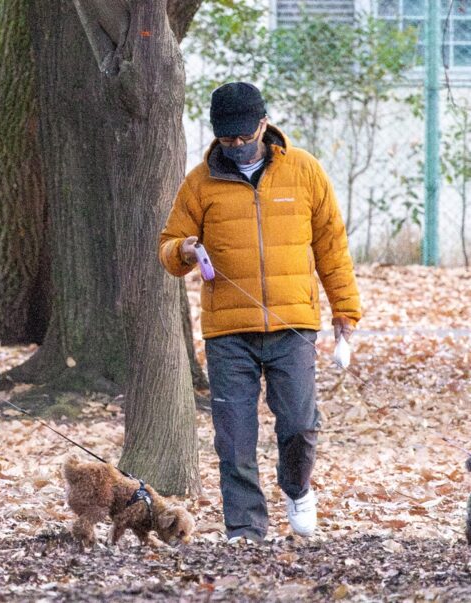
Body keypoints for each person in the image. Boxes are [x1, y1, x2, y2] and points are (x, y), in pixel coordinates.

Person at [159, 82, 361, 543]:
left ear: (263, 125)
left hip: (294, 327)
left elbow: (332, 246)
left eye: (242, 137)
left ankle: (296, 486)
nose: (234, 146)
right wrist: (184, 250)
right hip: (228, 331)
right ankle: (245, 530)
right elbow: (168, 246)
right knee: (234, 439)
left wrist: (344, 311)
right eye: (226, 139)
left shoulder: (305, 172)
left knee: (300, 424)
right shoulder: (199, 182)